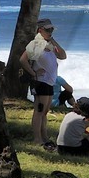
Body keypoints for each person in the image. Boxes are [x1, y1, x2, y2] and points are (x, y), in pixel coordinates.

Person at [19, 18, 66, 148]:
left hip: (50, 82)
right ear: (40, 30)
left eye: (52, 30)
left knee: (45, 111)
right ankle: (37, 138)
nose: (50, 32)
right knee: (39, 111)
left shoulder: (50, 45)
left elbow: (63, 55)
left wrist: (53, 41)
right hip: (40, 81)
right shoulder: (35, 44)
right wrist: (33, 73)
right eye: (48, 30)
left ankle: (44, 137)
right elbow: (22, 59)